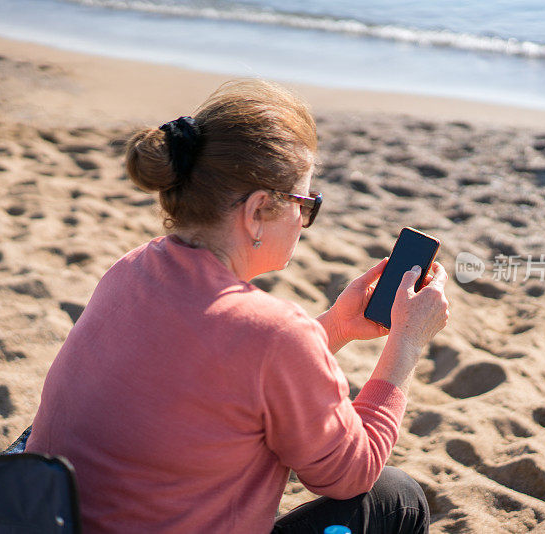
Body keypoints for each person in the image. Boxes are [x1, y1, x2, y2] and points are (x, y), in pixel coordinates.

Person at [25, 79, 450, 533]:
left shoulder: (133, 269)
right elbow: (350, 474)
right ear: (257, 211)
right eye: (307, 204)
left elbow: (217, 373)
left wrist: (337, 327)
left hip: (47, 520)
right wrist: (406, 343)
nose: (306, 221)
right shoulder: (275, 334)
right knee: (395, 498)